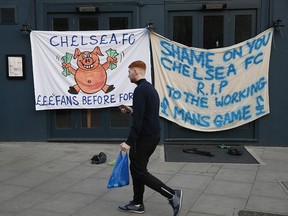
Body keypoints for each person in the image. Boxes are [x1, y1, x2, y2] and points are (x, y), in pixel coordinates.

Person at [118, 60, 183, 216]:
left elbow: (138, 122)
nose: (128, 76)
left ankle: (172, 195)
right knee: (137, 169)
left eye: (129, 72)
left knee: (139, 172)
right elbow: (145, 114)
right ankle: (137, 203)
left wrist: (129, 142)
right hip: (152, 136)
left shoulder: (140, 90)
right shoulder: (149, 89)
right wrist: (131, 111)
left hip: (144, 139)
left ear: (136, 71)